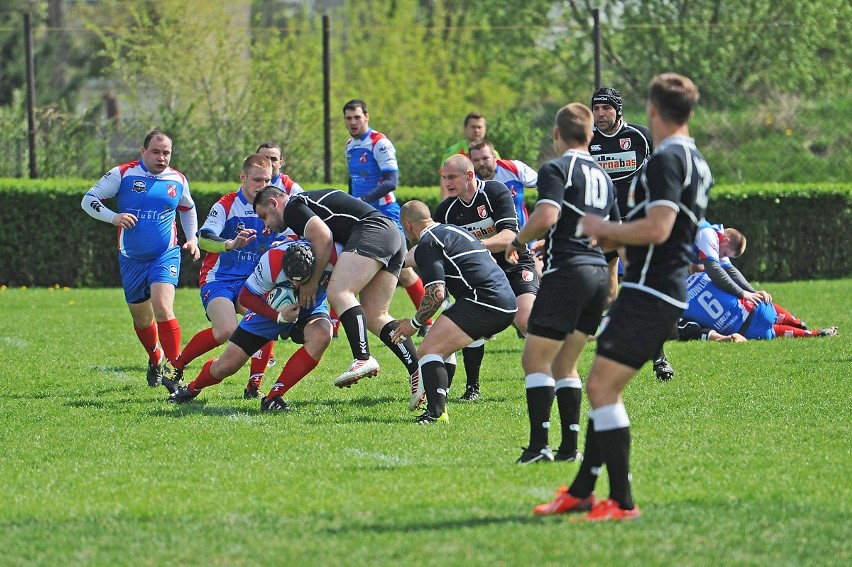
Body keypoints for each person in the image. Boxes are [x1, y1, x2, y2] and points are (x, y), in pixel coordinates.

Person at [533, 73, 711, 522]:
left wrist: (604, 229)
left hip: (653, 288)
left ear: (652, 111)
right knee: (600, 385)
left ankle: (623, 501)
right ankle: (582, 490)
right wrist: (607, 242)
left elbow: (658, 229)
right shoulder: (696, 159)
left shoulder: (665, 158)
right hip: (655, 285)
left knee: (601, 386)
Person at [504, 102, 618, 464]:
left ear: (556, 135)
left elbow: (547, 214)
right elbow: (612, 237)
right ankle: (570, 448)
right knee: (565, 364)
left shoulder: (557, 167)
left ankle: (539, 447)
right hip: (597, 273)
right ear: (590, 135)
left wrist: (519, 241)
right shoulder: (603, 175)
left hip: (566, 272)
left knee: (534, 359)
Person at [253, 186, 420, 390]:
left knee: (339, 292)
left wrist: (312, 282)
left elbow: (323, 237)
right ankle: (419, 371)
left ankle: (362, 357)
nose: (266, 225)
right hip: (392, 234)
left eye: (264, 216)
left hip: (372, 230)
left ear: (274, 203)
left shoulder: (293, 206)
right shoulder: (305, 204)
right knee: (375, 315)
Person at [81, 129, 199, 392]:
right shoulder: (122, 174)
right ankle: (156, 358)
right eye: (156, 152)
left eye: (166, 152)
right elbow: (88, 200)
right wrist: (114, 217)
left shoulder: (177, 179)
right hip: (131, 259)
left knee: (163, 307)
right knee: (143, 320)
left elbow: (188, 208)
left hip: (164, 254)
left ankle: (174, 369)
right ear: (143, 152)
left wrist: (191, 238)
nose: (161, 157)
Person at [168, 240, 333, 410]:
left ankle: (274, 397)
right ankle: (191, 388)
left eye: (303, 280)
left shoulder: (331, 258)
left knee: (322, 334)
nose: (297, 285)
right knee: (226, 366)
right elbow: (246, 297)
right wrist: (277, 317)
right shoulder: (272, 261)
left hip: (310, 308)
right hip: (268, 312)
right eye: (292, 280)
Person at [392, 200, 516, 424]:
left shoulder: (430, 243)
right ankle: (436, 397)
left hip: (483, 300)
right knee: (442, 346)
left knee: (428, 350)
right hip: (504, 300)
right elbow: (406, 260)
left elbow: (437, 294)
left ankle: (436, 414)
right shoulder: (450, 231)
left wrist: (414, 323)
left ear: (408, 226)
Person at [170, 154, 281, 399]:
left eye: (267, 180)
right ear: (242, 178)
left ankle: (253, 386)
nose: (262, 185)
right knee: (225, 330)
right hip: (219, 279)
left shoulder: (276, 206)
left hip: (252, 283)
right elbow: (204, 238)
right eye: (256, 180)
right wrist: (231, 244)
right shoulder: (226, 204)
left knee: (266, 319)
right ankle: (177, 365)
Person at [434, 154, 540, 401]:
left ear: (469, 176)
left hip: (514, 264)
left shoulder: (495, 192)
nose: (446, 183)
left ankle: (554, 373)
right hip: (480, 276)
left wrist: (474, 246)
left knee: (525, 319)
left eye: (452, 177)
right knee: (473, 324)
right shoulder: (446, 210)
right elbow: (434, 246)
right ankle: (472, 388)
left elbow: (508, 237)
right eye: (444, 178)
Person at [588, 86, 674, 382]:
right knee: (607, 292)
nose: (600, 114)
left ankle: (659, 358)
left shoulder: (639, 137)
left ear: (618, 110)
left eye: (606, 108)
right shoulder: (588, 142)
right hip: (604, 228)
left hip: (635, 226)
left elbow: (664, 171)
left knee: (642, 287)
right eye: (596, 109)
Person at [343, 99, 431, 335]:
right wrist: (351, 203)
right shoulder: (350, 145)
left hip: (386, 213)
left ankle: (427, 321)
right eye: (348, 118)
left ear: (367, 117)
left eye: (357, 117)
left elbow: (391, 181)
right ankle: (335, 324)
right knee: (346, 259)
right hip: (363, 214)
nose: (352, 122)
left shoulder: (379, 143)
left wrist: (361, 201)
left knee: (402, 267)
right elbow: (353, 181)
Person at [680, 272, 838, 340]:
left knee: (773, 332)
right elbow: (730, 284)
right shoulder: (703, 276)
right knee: (767, 307)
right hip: (758, 310)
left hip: (746, 331)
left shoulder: (678, 303)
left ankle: (812, 334)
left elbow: (693, 327)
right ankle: (796, 322)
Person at [691, 222, 772, 304]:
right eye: (725, 254)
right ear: (726, 241)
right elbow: (714, 271)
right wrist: (742, 293)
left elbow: (731, 271)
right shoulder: (708, 234)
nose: (722, 257)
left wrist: (753, 292)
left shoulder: (719, 242)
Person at [469, 139, 538, 228]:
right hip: (493, 239)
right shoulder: (469, 182)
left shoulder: (513, 168)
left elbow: (544, 183)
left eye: (485, 158)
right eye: (476, 160)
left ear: (494, 157)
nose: (481, 163)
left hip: (523, 236)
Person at [440, 112, 497, 200]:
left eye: (479, 127)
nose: (476, 130)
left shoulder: (493, 153)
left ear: (485, 129)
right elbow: (445, 180)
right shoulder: (453, 152)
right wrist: (445, 207)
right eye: (473, 127)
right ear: (465, 128)